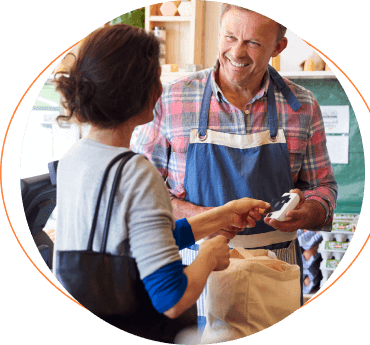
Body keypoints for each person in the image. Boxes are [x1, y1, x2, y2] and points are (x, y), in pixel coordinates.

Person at [51, 23, 270, 342]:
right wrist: (210, 254)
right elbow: (172, 299)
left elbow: (140, 242)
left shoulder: (76, 156)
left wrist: (223, 215)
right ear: (146, 91)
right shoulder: (136, 172)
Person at [131, 4, 338, 325]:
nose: (237, 52)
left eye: (253, 43)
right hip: (192, 268)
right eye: (229, 37)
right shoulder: (171, 100)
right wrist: (207, 219)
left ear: (278, 47)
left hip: (273, 270)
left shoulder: (304, 106)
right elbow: (141, 195)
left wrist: (307, 212)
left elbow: (323, 188)